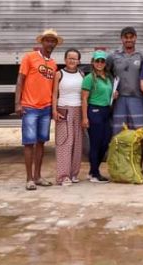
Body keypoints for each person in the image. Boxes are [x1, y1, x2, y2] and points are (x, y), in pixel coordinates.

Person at [15, 29, 61, 190]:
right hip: (30, 107)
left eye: (53, 41)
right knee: (29, 143)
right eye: (47, 40)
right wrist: (18, 104)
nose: (50, 43)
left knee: (41, 143)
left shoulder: (53, 63)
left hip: (45, 108)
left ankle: (38, 176)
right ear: (41, 42)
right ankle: (29, 179)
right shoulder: (29, 57)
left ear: (55, 44)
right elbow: (20, 81)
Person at [106, 26, 143, 135]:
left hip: (137, 98)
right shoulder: (113, 56)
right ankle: (119, 152)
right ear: (122, 39)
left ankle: (139, 152)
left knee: (139, 131)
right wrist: (111, 89)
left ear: (136, 38)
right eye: (126, 37)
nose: (129, 40)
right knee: (119, 130)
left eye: (131, 37)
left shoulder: (142, 56)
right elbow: (106, 74)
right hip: (119, 99)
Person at [51, 48, 84, 186]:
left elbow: (84, 95)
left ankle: (73, 174)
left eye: (75, 58)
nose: (72, 61)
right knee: (64, 143)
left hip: (78, 110)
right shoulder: (59, 74)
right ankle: (63, 176)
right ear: (65, 59)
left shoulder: (81, 74)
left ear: (78, 61)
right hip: (63, 109)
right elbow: (54, 94)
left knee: (77, 143)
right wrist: (54, 111)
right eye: (69, 58)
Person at [81, 50, 113, 183]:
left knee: (105, 143)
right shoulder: (89, 78)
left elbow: (108, 92)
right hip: (94, 111)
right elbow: (84, 99)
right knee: (95, 143)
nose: (99, 63)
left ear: (105, 63)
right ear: (92, 62)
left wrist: (113, 95)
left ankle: (92, 171)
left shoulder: (107, 76)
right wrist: (84, 118)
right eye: (97, 61)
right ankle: (95, 174)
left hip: (106, 111)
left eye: (102, 61)